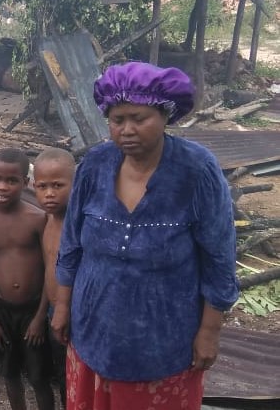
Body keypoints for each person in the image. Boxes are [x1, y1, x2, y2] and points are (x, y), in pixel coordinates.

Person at [51, 62, 240, 410]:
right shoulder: (94, 165)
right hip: (93, 329)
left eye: (139, 119)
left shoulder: (197, 171)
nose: (127, 130)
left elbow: (219, 258)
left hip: (165, 340)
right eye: (117, 120)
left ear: (165, 114)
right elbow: (72, 243)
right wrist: (62, 306)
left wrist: (209, 331)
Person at [0, 149, 54, 410]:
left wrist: (40, 318)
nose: (2, 187)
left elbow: (49, 270)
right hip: (2, 312)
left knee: (38, 376)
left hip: (33, 310)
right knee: (9, 373)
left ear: (25, 183)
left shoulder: (38, 219)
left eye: (11, 181)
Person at [32, 147, 75, 407]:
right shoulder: (45, 222)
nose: (49, 193)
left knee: (78, 378)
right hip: (52, 312)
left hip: (75, 314)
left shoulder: (78, 224)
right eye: (42, 186)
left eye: (58, 185)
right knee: (62, 376)